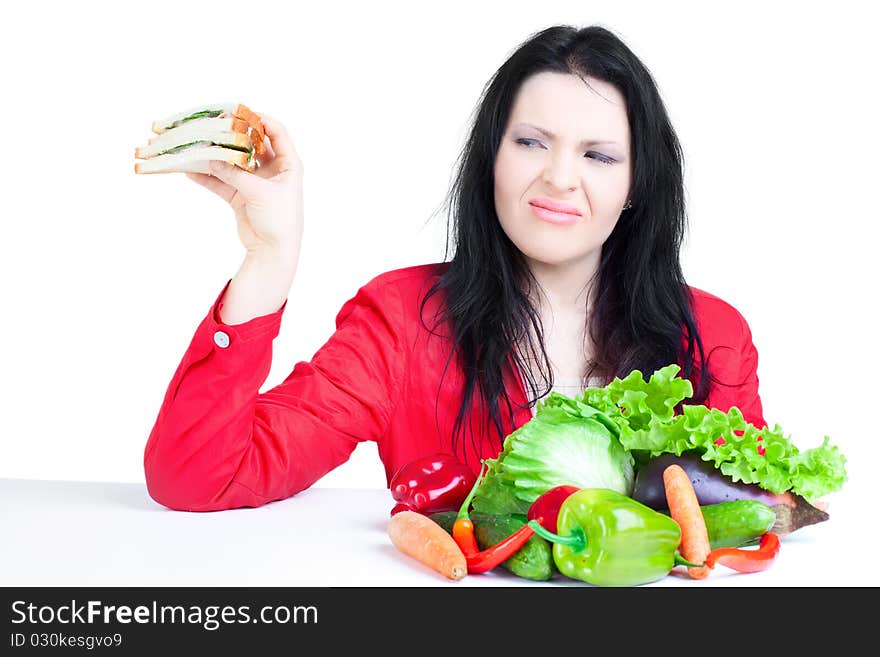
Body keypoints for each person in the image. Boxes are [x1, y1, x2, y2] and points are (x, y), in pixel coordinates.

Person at [143, 24, 766, 512]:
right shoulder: (400, 321)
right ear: (490, 158)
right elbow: (200, 479)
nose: (559, 177)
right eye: (530, 143)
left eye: (599, 155)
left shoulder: (710, 336)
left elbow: (747, 510)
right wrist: (269, 259)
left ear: (636, 184)